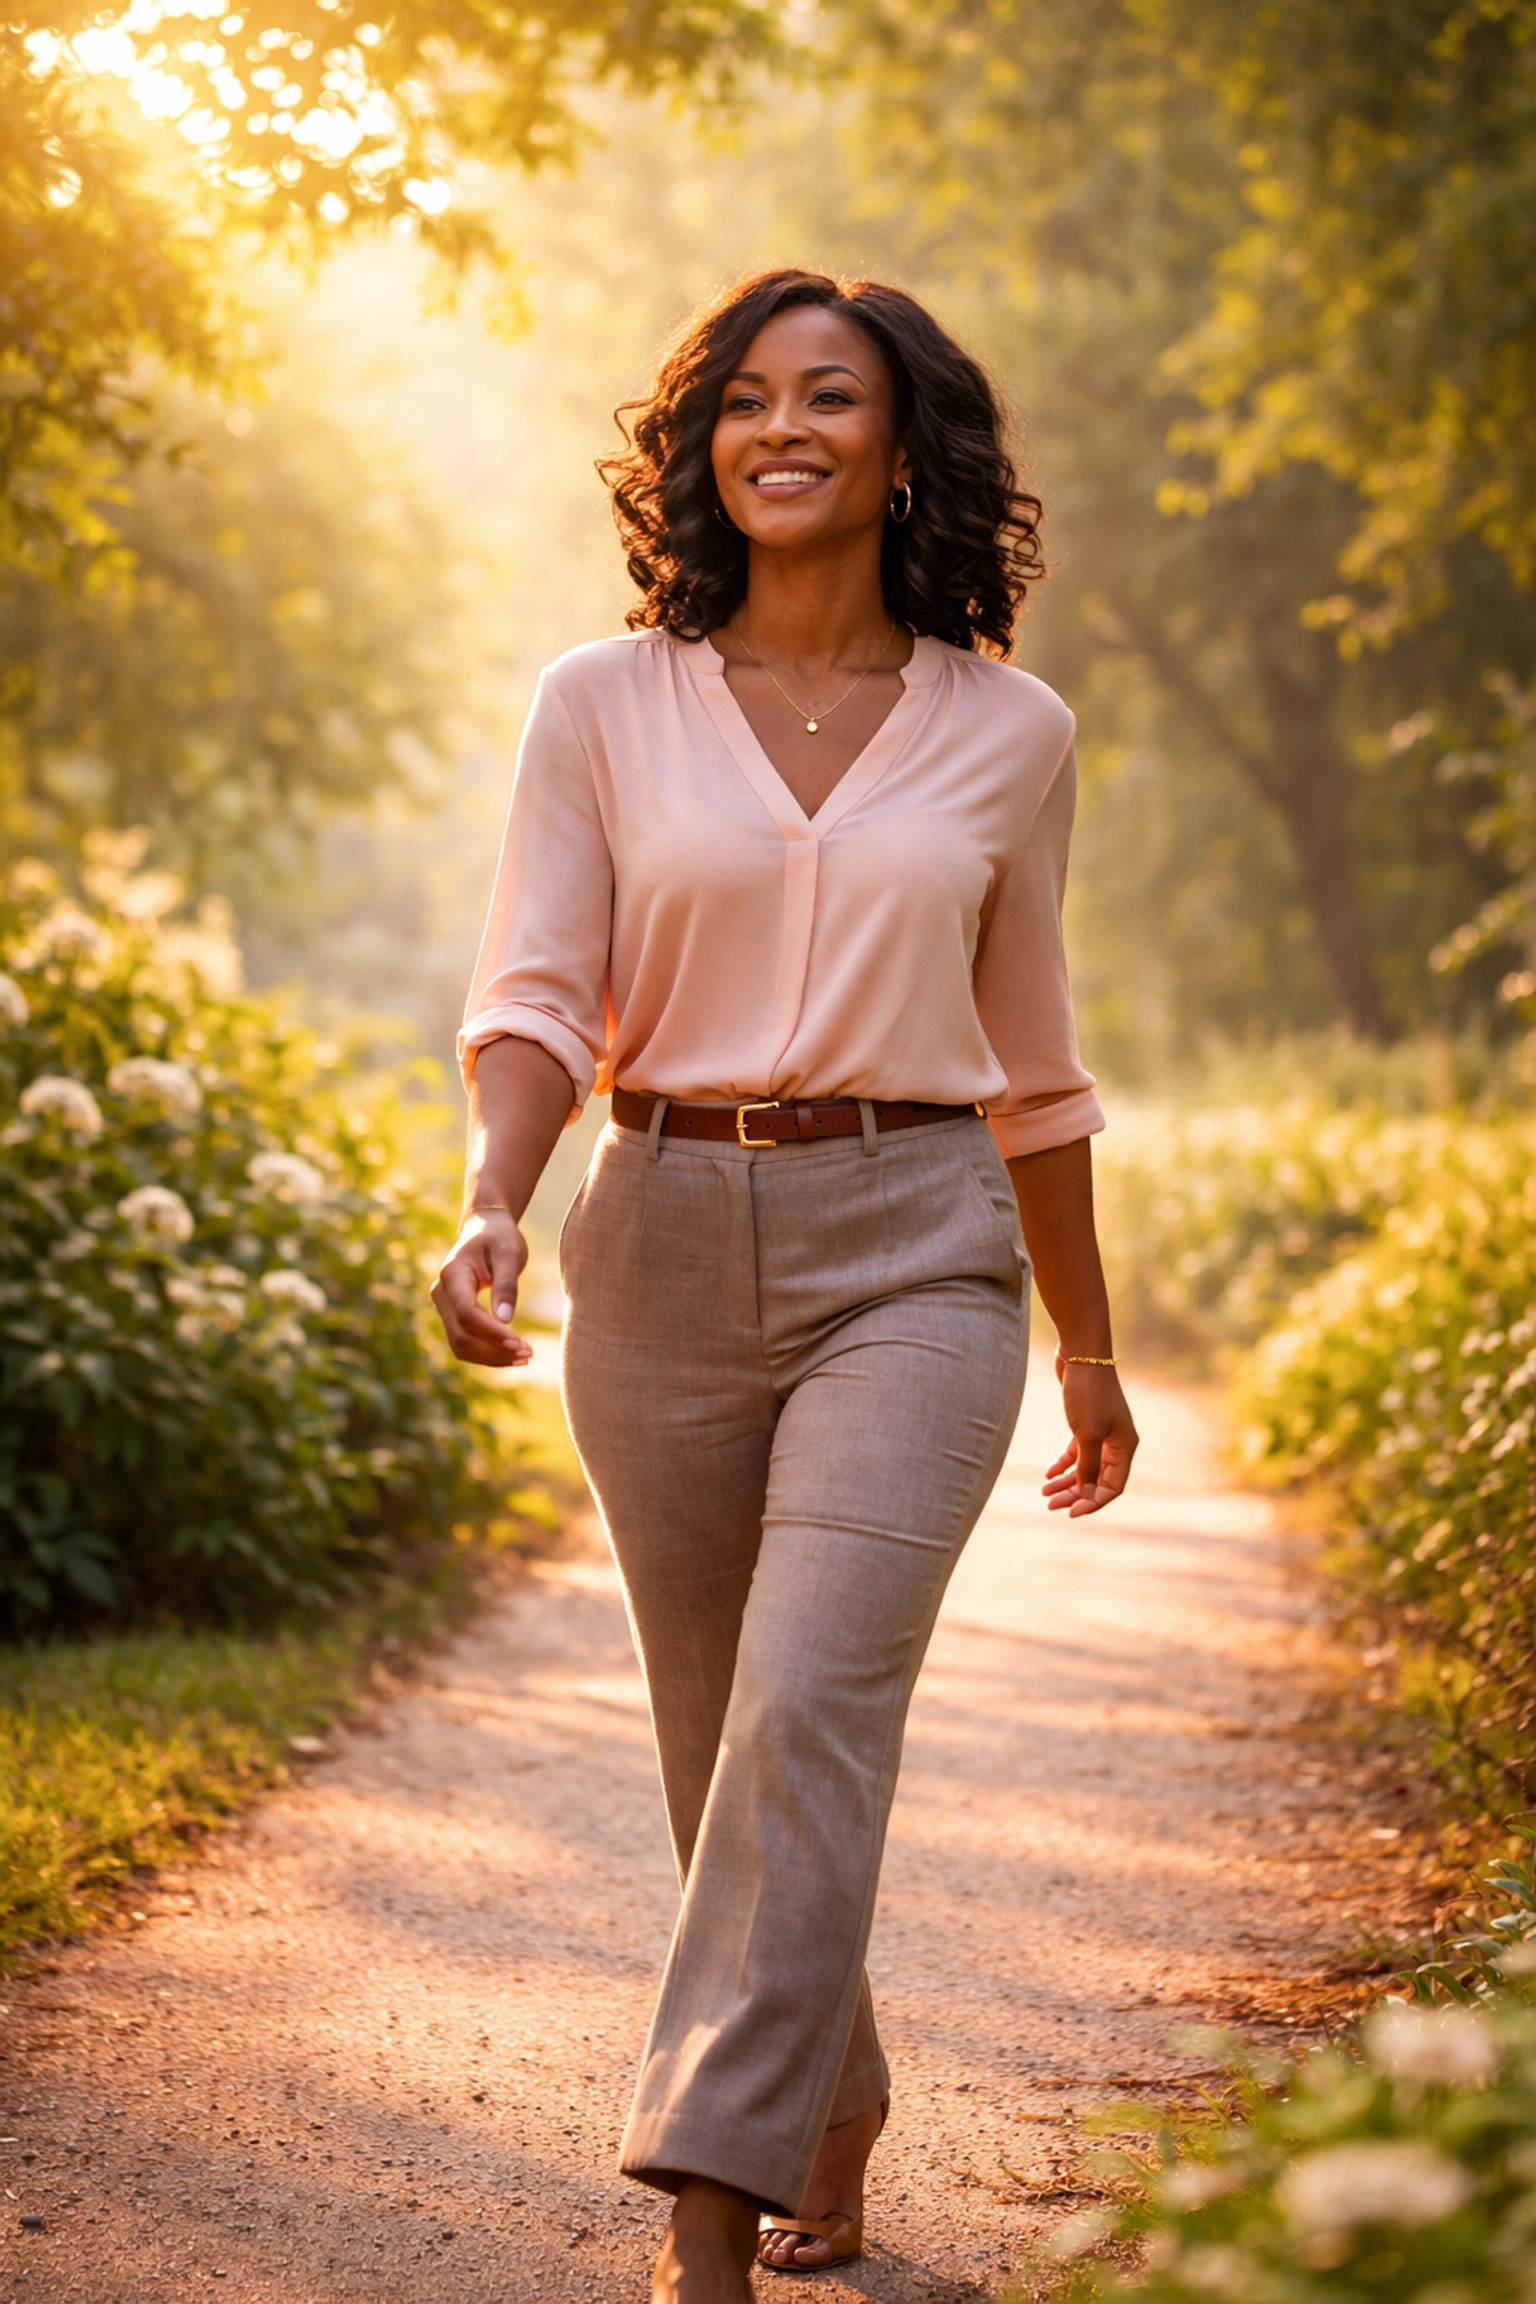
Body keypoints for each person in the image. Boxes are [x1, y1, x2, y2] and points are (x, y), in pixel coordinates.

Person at [431, 266, 1138, 2304]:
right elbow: (539, 993)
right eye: (745, 398)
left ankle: (705, 2219)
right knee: (717, 1731)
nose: (783, 429)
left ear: (905, 443)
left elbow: (1034, 1063)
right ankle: (829, 2094)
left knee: (811, 1698)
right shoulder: (601, 702)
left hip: (916, 1249)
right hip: (654, 1235)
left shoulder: (1011, 731)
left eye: (830, 395)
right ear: (702, 444)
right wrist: (492, 1201)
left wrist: (1088, 1342)